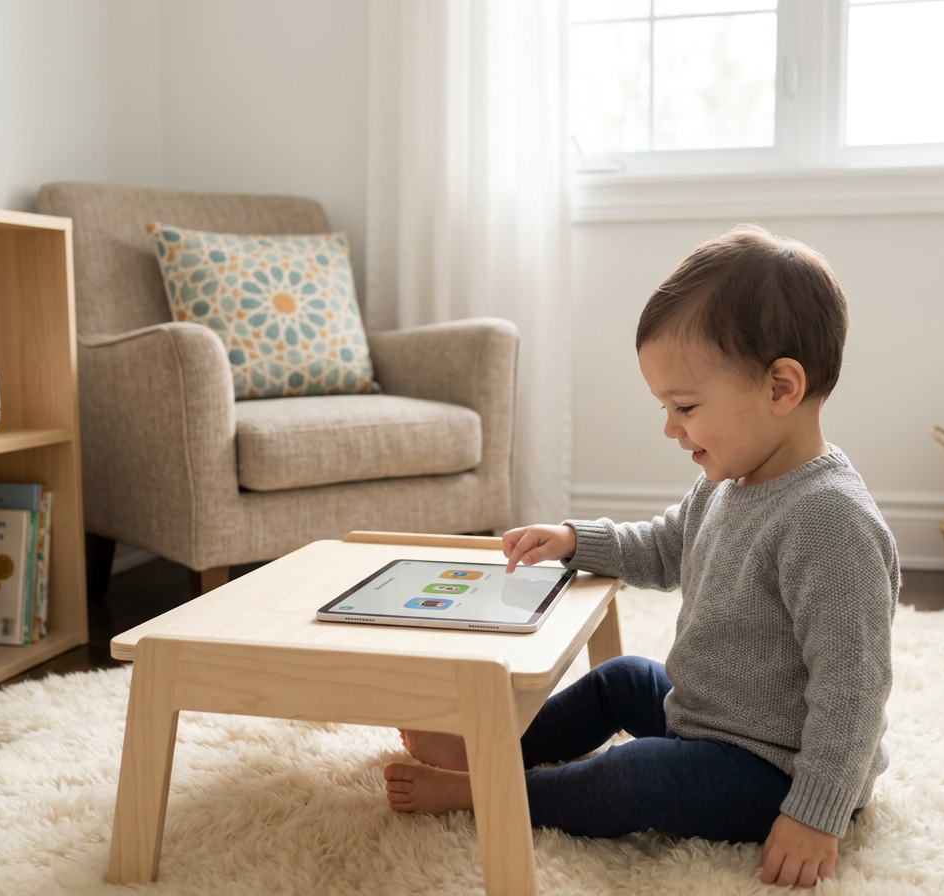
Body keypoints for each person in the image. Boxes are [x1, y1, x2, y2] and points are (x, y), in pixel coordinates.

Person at [382, 225, 900, 889]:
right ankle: (495, 749)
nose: (669, 427)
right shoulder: (731, 479)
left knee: (637, 775)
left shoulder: (831, 521)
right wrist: (575, 542)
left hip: (779, 768)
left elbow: (854, 689)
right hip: (710, 715)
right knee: (622, 676)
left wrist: (816, 814)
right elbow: (663, 548)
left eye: (684, 406)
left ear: (781, 388)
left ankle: (486, 792)